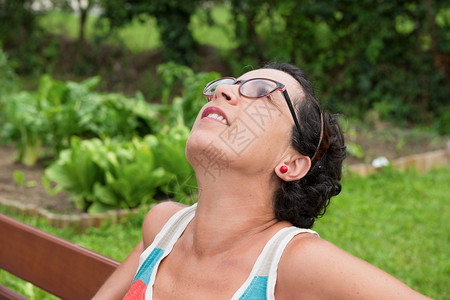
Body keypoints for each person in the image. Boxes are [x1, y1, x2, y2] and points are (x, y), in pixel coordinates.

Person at [93, 62, 430, 299]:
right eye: (225, 84)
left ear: (292, 163)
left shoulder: (295, 263)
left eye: (262, 93)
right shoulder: (163, 227)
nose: (222, 90)